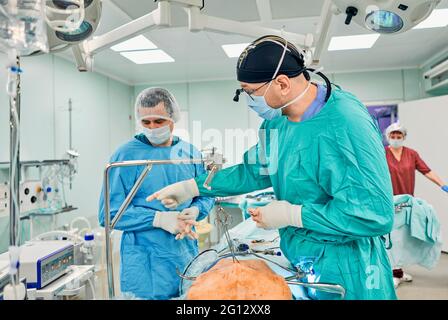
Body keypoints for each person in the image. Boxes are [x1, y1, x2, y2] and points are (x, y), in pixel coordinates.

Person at [147, 35, 397, 300]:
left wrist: (293, 215)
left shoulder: (346, 122)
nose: (249, 100)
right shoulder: (277, 123)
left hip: (350, 266)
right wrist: (193, 187)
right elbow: (254, 170)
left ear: (282, 83)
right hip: (306, 259)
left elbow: (374, 213)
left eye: (251, 92)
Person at [98, 87, 215, 299]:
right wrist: (158, 219)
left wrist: (196, 210)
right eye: (146, 122)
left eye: (158, 121)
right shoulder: (125, 155)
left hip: (184, 252)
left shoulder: (190, 153)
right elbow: (108, 214)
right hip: (144, 261)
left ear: (172, 119)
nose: (152, 128)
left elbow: (207, 193)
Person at [384, 123, 448, 288]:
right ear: (388, 137)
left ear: (404, 137)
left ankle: (398, 270)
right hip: (389, 202)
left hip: (407, 202)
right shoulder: (382, 153)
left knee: (403, 238)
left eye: (399, 136)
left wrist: (442, 185)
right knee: (392, 238)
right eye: (393, 136)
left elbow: (427, 170)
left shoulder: (411, 154)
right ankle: (393, 272)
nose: (396, 139)